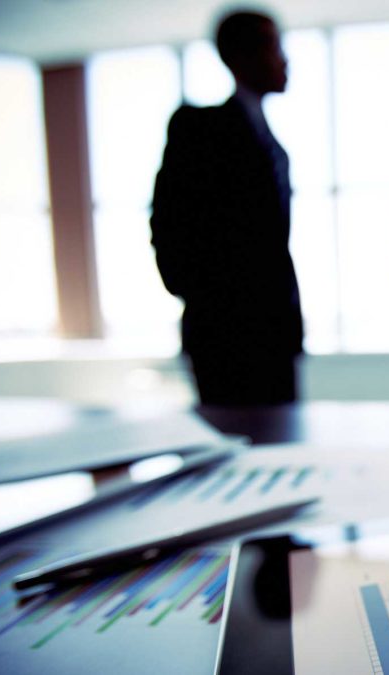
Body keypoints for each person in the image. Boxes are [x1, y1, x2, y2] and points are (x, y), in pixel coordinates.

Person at [150, 10, 303, 405]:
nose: (284, 59)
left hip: (275, 331)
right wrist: (200, 299)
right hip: (222, 335)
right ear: (239, 56)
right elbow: (169, 221)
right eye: (273, 46)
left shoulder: (273, 145)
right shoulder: (198, 129)